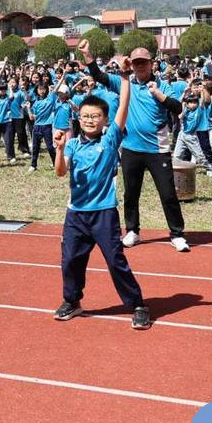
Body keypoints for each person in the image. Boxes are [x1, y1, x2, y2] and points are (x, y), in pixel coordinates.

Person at [52, 63, 151, 329]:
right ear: (79, 118)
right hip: (76, 215)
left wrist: (124, 78)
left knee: (115, 261)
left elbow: (124, 107)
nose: (90, 120)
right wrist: (60, 150)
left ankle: (138, 304)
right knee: (70, 260)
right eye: (85, 116)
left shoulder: (110, 140)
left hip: (104, 213)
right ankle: (71, 301)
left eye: (95, 116)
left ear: (104, 120)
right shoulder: (71, 143)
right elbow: (60, 173)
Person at [82, 42, 189, 252]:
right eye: (136, 62)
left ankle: (177, 234)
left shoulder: (162, 85)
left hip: (158, 150)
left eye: (144, 62)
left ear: (151, 63)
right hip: (131, 149)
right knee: (131, 193)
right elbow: (99, 76)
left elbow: (178, 108)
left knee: (168, 194)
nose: (140, 66)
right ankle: (132, 231)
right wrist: (87, 55)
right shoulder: (125, 83)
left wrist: (159, 95)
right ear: (131, 64)